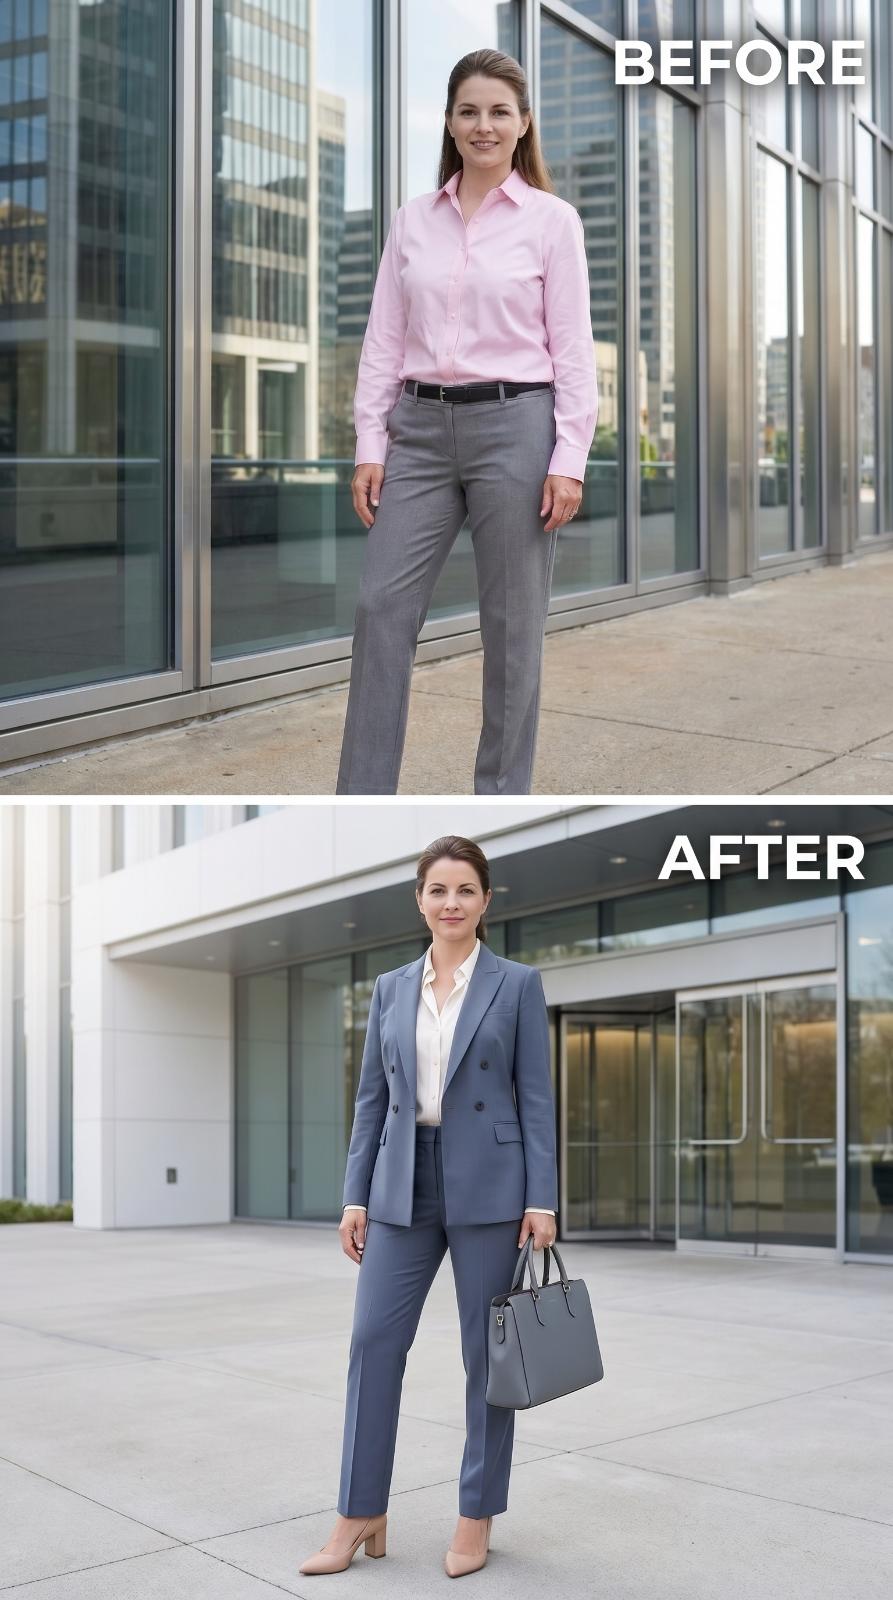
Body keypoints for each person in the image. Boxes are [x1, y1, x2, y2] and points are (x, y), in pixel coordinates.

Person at [336, 47, 598, 796]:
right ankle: (361, 796)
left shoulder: (552, 222)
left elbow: (573, 347)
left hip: (516, 426)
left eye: (498, 112)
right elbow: (383, 339)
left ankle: (499, 796)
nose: (482, 125)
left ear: (522, 126)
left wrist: (568, 456)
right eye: (467, 111)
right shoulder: (412, 221)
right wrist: (369, 441)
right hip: (417, 428)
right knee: (379, 606)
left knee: (512, 630)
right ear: (449, 124)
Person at [299, 835, 558, 1578]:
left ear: (485, 901)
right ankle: (359, 1512)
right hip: (398, 1183)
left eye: (465, 891)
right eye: (438, 890)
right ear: (419, 900)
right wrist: (355, 1194)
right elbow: (370, 1102)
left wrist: (541, 1197)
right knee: (372, 1344)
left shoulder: (515, 983)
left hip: (492, 1186)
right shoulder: (388, 988)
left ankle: (475, 1515)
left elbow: (535, 1101)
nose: (451, 904)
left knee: (487, 1358)